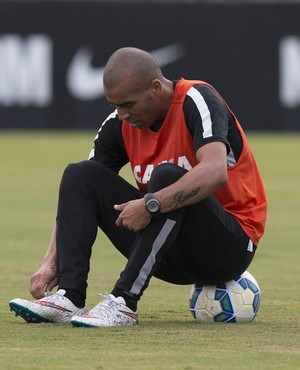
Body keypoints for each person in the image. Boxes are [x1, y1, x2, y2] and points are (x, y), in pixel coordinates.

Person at [9, 47, 267, 327]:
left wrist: (150, 204)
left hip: (229, 247)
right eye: (115, 106)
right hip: (167, 247)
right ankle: (69, 296)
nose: (121, 115)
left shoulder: (197, 99)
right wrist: (51, 260)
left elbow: (215, 172)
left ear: (156, 88)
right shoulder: (119, 125)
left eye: (128, 105)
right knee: (80, 175)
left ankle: (123, 302)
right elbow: (80, 196)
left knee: (167, 176)